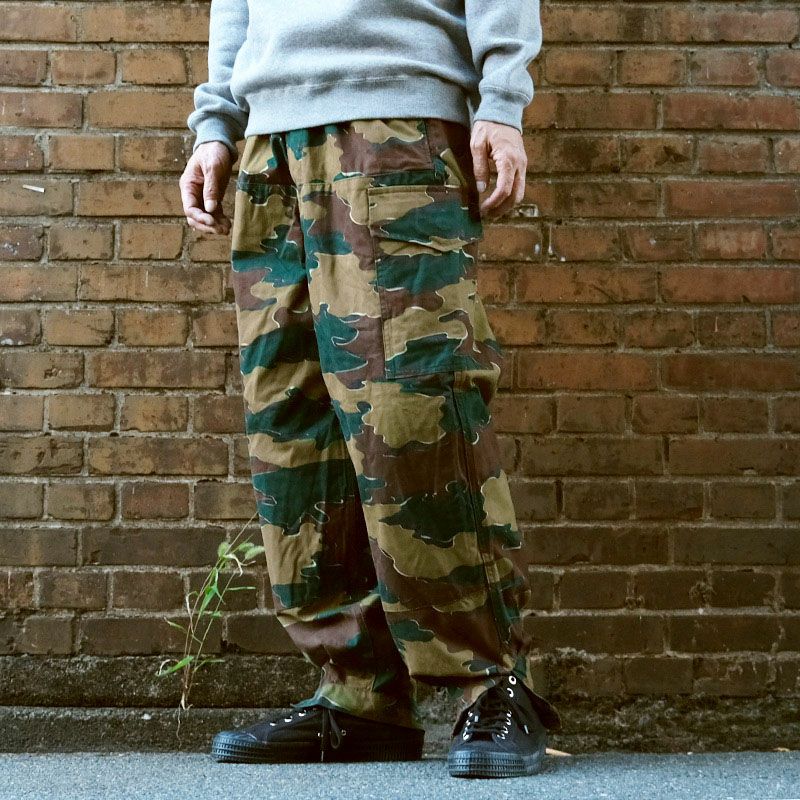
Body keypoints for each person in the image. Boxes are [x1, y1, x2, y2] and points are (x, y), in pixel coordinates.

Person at [179, 0, 562, 780]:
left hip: (396, 123)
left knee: (412, 410)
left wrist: (501, 99)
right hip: (268, 141)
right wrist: (216, 122)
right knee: (295, 426)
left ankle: (491, 682)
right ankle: (359, 696)